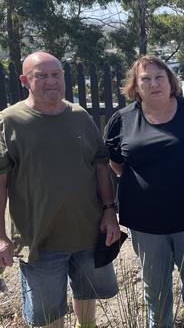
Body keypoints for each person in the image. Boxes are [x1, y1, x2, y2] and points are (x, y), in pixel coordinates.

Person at [0, 51, 120, 328]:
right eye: (41, 76)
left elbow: (101, 166)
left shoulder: (79, 116)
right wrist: (2, 237)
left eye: (56, 75)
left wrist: (109, 212)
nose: (50, 81)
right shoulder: (10, 121)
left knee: (88, 294)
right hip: (39, 239)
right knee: (48, 314)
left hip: (87, 233)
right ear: (24, 80)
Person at [104, 55, 184, 327]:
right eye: (146, 79)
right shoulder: (122, 119)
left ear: (170, 80)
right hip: (146, 221)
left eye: (159, 77)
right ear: (136, 86)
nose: (154, 83)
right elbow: (115, 163)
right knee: (155, 286)